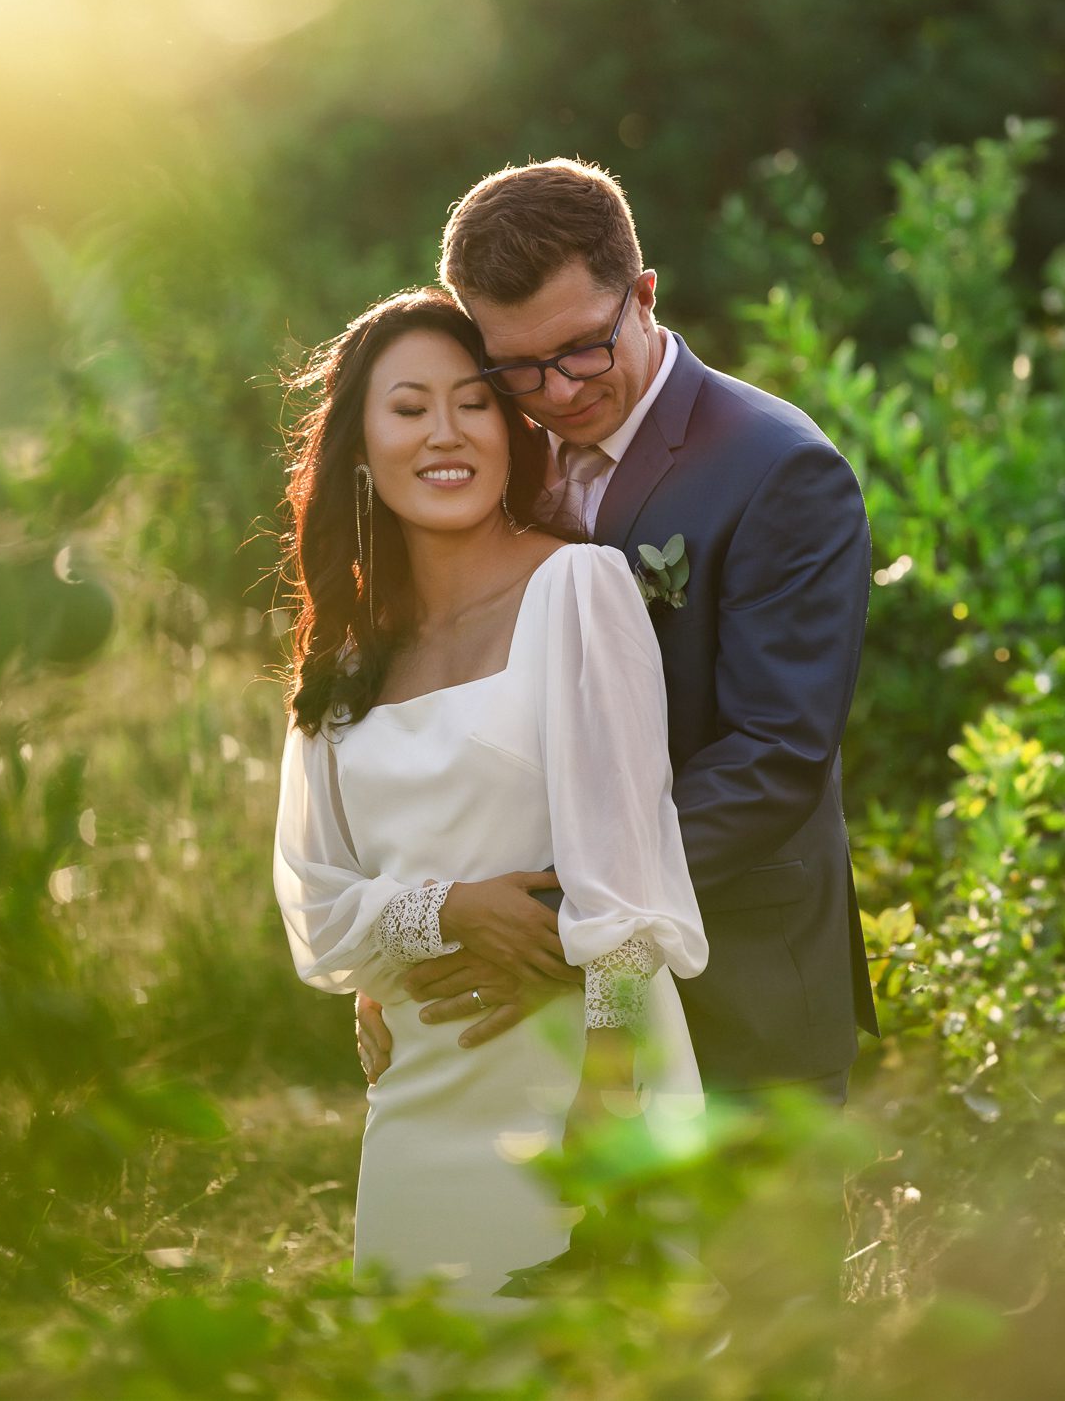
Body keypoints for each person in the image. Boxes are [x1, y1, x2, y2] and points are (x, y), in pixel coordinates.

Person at [357, 159, 878, 1104]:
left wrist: (560, 921)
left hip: (736, 985)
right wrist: (429, 926)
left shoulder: (780, 471)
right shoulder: (491, 451)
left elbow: (774, 754)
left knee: (750, 1257)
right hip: (533, 1026)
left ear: (642, 295)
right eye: (515, 365)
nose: (555, 392)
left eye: (583, 350)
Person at [273, 287, 709, 1301]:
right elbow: (317, 912)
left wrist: (603, 1111)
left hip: (570, 1084)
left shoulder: (581, 593)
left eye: (473, 403)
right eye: (410, 407)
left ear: (513, 433)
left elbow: (632, 888)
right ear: (359, 446)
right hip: (417, 1102)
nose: (445, 433)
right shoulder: (344, 660)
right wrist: (442, 911)